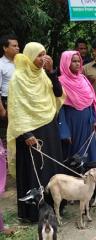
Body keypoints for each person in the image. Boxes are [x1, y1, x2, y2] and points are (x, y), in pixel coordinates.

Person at [7, 42, 64, 222]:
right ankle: (33, 213)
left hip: (49, 127)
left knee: (50, 168)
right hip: (30, 133)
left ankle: (55, 205)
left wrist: (51, 71)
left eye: (44, 55)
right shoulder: (18, 78)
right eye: (39, 55)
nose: (42, 59)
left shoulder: (44, 76)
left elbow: (58, 92)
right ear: (30, 56)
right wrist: (26, 134)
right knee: (34, 171)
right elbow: (16, 110)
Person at [57, 50, 96, 163]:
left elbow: (91, 102)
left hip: (87, 122)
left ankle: (91, 177)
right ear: (66, 63)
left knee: (90, 151)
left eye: (79, 61)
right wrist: (65, 131)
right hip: (72, 123)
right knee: (76, 153)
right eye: (74, 61)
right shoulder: (61, 82)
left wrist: (94, 119)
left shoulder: (83, 79)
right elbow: (60, 109)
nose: (77, 64)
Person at [0, 34, 19, 139]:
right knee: (9, 134)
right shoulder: (1, 64)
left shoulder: (20, 63)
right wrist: (2, 110)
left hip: (20, 101)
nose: (18, 48)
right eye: (14, 46)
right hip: (7, 102)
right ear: (5, 48)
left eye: (18, 45)